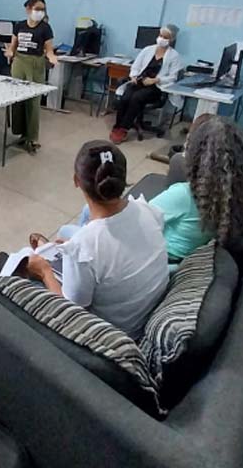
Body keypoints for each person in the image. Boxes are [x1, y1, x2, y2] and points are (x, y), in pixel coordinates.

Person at [24, 141, 168, 339]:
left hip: (113, 334)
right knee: (66, 235)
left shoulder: (85, 248)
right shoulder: (147, 210)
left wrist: (45, 272)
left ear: (76, 181)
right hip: (141, 312)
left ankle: (40, 257)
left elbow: (71, 312)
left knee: (26, 264)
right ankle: (49, 249)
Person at [150, 115, 243, 266]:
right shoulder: (240, 198)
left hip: (160, 261)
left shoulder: (183, 195)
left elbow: (136, 221)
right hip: (182, 258)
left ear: (196, 154)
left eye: (188, 142)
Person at [110, 25, 183, 144]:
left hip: (156, 87)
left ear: (171, 39)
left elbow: (172, 77)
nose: (161, 39)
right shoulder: (148, 49)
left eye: (165, 37)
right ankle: (118, 125)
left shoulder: (174, 56)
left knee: (136, 98)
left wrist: (156, 80)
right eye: (160, 35)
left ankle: (124, 129)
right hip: (140, 81)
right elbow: (136, 66)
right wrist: (133, 76)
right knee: (125, 97)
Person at [6, 0, 59, 154]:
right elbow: (13, 45)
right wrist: (9, 52)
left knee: (33, 102)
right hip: (19, 63)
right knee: (17, 100)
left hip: (36, 64)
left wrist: (52, 57)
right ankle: (20, 134)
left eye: (43, 10)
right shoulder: (19, 25)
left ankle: (31, 138)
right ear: (28, 9)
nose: (40, 12)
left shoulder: (45, 28)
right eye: (37, 9)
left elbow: (49, 49)